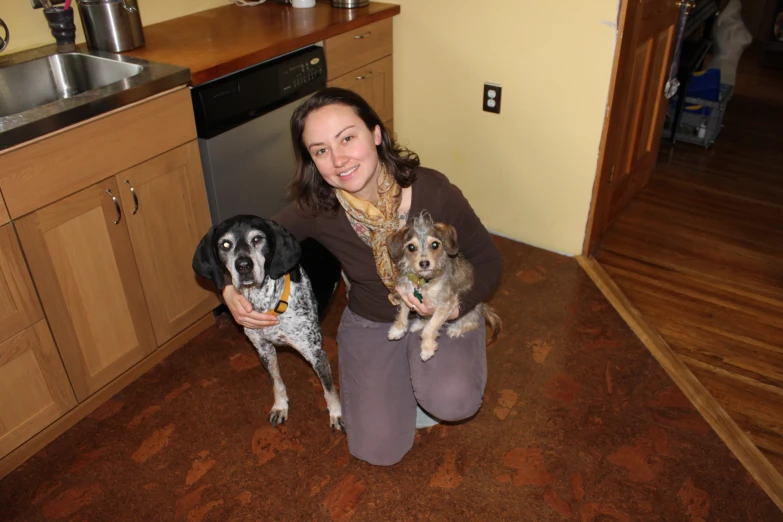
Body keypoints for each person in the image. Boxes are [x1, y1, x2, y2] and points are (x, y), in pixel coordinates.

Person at [221, 87, 503, 466]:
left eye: (347, 138)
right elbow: (254, 239)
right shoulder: (316, 209)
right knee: (377, 450)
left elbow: (488, 260)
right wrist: (227, 289)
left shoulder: (434, 190)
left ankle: (426, 382)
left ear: (375, 134)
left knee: (454, 400)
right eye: (320, 150)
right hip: (373, 318)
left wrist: (457, 308)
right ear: (312, 160)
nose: (338, 160)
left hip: (441, 311)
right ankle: (396, 384)